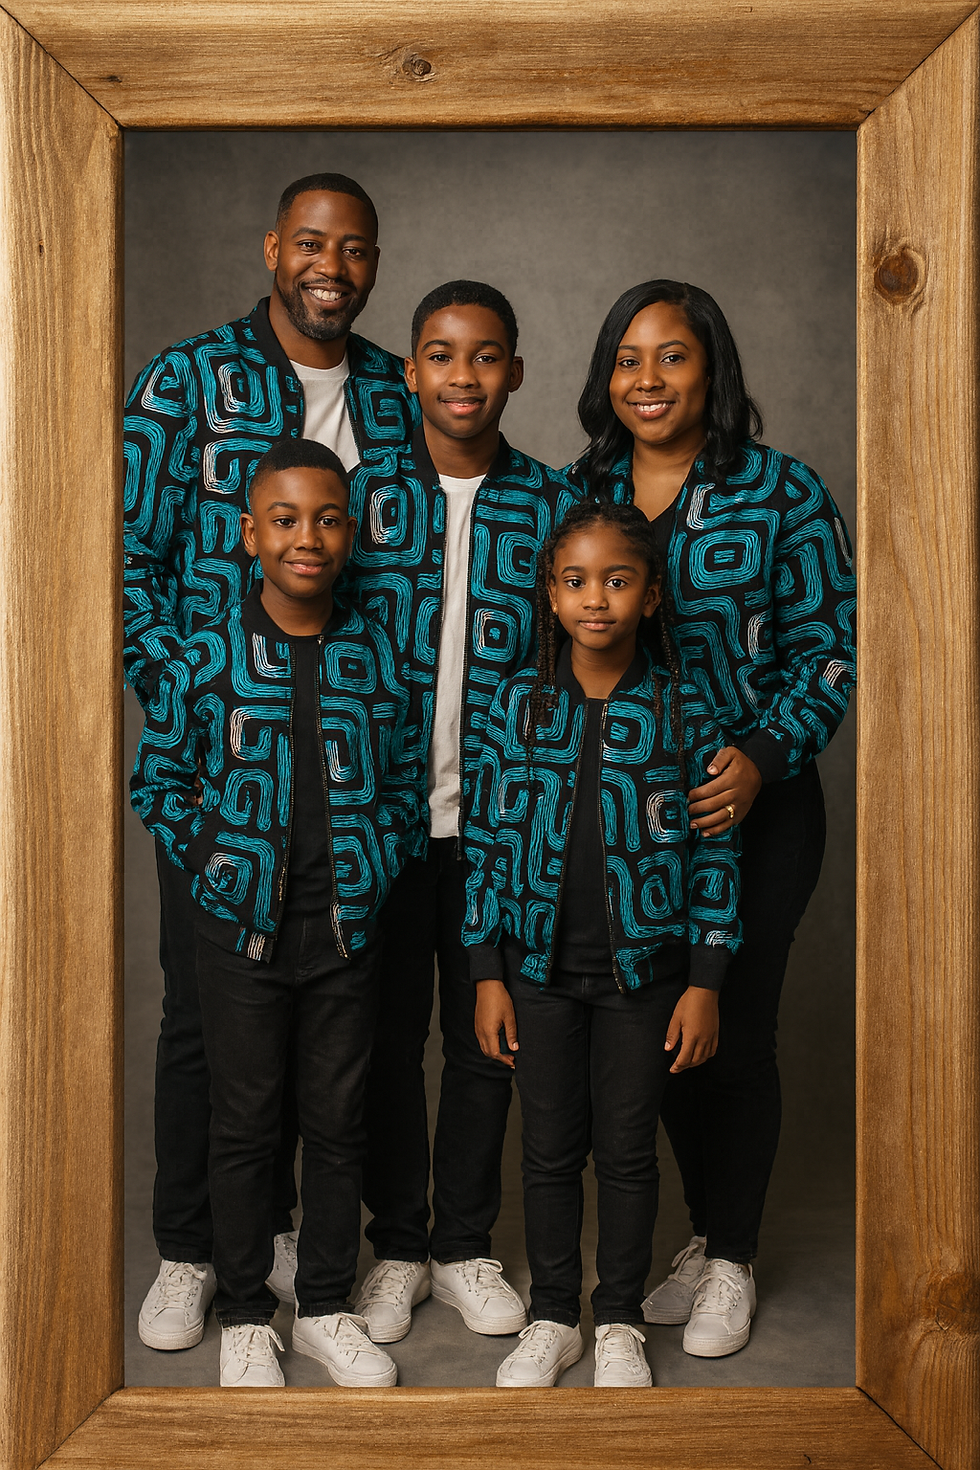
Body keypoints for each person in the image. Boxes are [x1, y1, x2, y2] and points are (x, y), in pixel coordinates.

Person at [125, 171, 419, 1352]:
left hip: (354, 758)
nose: (329, 268)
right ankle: (196, 1251)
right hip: (226, 766)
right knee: (204, 1025)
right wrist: (201, 709)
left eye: (352, 249)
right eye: (309, 244)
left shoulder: (396, 396)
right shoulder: (184, 380)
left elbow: (420, 568)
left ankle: (314, 1261)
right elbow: (129, 559)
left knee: (350, 1032)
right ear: (271, 250)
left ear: (373, 263)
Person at [570, 280, 856, 1358]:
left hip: (756, 810)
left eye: (672, 357)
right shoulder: (576, 491)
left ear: (711, 369)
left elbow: (829, 644)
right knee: (653, 1035)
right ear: (606, 378)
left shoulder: (779, 493)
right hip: (622, 825)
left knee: (730, 1031)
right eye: (628, 359)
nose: (647, 379)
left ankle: (730, 1255)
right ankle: (701, 1231)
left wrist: (761, 755)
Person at [342, 280, 580, 1344]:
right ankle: (396, 1242)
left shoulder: (549, 503)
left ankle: (463, 1245)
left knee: (490, 1042)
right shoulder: (360, 492)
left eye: (485, 357)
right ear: (409, 372)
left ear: (514, 373)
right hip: (387, 821)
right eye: (440, 355)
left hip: (500, 829)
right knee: (387, 1045)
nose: (462, 377)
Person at [464, 501, 741, 1387]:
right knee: (547, 1151)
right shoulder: (515, 706)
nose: (596, 600)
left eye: (618, 581)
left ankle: (617, 1318)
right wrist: (487, 974)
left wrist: (705, 981)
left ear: (652, 596)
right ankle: (554, 1317)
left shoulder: (685, 709)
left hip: (644, 982)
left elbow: (716, 853)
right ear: (550, 593)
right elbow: (486, 847)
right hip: (537, 976)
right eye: (576, 581)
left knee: (626, 1152)